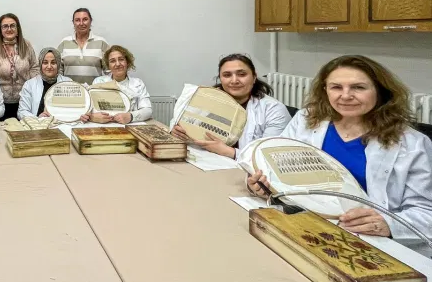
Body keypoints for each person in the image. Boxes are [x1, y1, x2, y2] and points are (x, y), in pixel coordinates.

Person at [247, 55, 432, 247]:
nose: (345, 95)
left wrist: (389, 224)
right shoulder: (306, 120)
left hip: (368, 239)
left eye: (358, 87)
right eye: (336, 87)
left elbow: (426, 212)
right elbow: (276, 167)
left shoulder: (411, 143)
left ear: (380, 91)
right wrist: (264, 186)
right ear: (325, 90)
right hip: (304, 223)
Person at [172, 54, 291, 158]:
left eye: (242, 74)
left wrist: (230, 152)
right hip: (206, 160)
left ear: (254, 77)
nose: (234, 81)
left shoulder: (274, 110)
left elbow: (269, 156)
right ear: (220, 79)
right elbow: (181, 123)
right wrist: (177, 131)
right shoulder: (205, 99)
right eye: (227, 75)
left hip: (249, 171)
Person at [0, 14, 38, 120]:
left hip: (25, 102)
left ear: (17, 28)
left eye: (12, 25)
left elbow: (34, 68)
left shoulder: (26, 46)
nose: (9, 29)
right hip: (0, 105)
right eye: (5, 26)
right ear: (0, 30)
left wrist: (34, 92)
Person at [81, 45, 151, 124]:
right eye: (112, 61)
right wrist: (92, 117)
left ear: (127, 62)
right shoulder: (99, 82)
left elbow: (147, 110)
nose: (117, 64)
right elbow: (88, 110)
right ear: (108, 65)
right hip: (102, 126)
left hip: (130, 125)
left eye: (121, 59)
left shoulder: (138, 84)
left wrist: (131, 116)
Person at [57, 8, 108, 85]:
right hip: (69, 90)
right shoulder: (64, 42)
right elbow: (58, 72)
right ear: (73, 22)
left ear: (91, 21)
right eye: (77, 20)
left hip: (94, 90)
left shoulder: (101, 42)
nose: (81, 23)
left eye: (85, 19)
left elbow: (109, 72)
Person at [18, 48, 72, 119]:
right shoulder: (29, 85)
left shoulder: (68, 83)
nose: (49, 67)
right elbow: (22, 112)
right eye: (45, 63)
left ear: (58, 64)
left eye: (53, 63)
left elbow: (74, 110)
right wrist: (38, 118)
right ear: (40, 64)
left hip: (62, 124)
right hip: (37, 124)